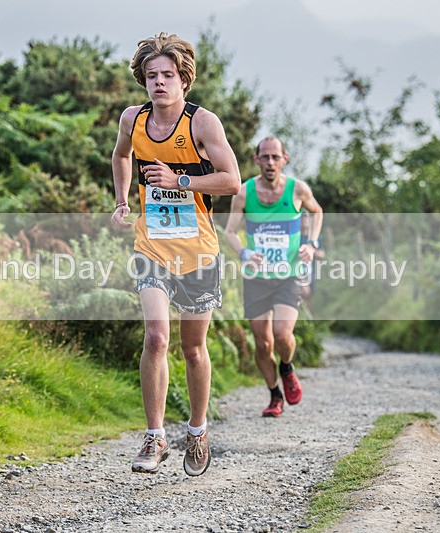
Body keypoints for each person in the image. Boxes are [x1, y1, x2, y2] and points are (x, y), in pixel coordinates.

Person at [110, 32, 241, 476]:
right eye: (151, 76)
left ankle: (198, 430)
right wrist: (123, 200)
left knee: (193, 347)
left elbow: (231, 182)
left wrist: (180, 182)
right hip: (152, 245)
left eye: (167, 75)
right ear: (142, 80)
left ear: (184, 79)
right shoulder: (133, 118)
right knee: (156, 337)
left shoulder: (203, 124)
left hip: (199, 250)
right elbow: (120, 155)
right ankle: (154, 436)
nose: (159, 83)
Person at [224, 136, 323, 418]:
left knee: (281, 334)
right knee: (263, 342)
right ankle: (274, 394)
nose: (270, 162)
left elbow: (318, 213)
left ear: (284, 159)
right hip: (256, 276)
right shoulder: (244, 193)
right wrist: (243, 253)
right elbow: (230, 231)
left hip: (288, 274)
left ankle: (288, 368)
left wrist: (311, 243)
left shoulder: (298, 190)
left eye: (275, 157)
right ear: (256, 160)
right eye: (264, 157)